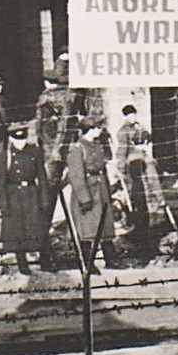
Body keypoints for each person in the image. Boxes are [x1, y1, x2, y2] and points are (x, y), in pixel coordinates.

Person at [0, 120, 49, 274]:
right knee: (17, 230)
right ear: (11, 139)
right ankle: (22, 262)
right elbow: (0, 182)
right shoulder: (5, 155)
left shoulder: (34, 151)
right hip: (14, 196)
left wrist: (44, 198)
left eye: (23, 139)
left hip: (31, 194)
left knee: (36, 227)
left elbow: (42, 176)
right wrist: (3, 204)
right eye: (17, 139)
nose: (21, 143)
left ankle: (43, 260)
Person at [65, 117, 119, 273]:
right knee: (87, 230)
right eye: (98, 128)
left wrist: (108, 191)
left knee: (105, 226)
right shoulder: (77, 148)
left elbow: (103, 170)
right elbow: (76, 176)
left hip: (101, 190)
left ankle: (111, 259)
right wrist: (84, 198)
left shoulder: (97, 146)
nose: (101, 130)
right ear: (91, 129)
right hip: (88, 192)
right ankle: (88, 264)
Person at [113, 105, 153, 246]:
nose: (133, 118)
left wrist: (142, 133)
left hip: (142, 166)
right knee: (137, 199)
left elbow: (147, 135)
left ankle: (145, 227)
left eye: (134, 115)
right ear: (125, 117)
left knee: (145, 198)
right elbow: (121, 153)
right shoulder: (123, 132)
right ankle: (139, 230)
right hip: (132, 168)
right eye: (130, 116)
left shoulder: (138, 127)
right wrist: (121, 170)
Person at [35, 72, 77, 188]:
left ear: (46, 82)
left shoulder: (46, 97)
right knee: (55, 168)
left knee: (52, 169)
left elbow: (40, 121)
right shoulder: (65, 96)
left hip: (51, 138)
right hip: (56, 137)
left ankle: (50, 193)